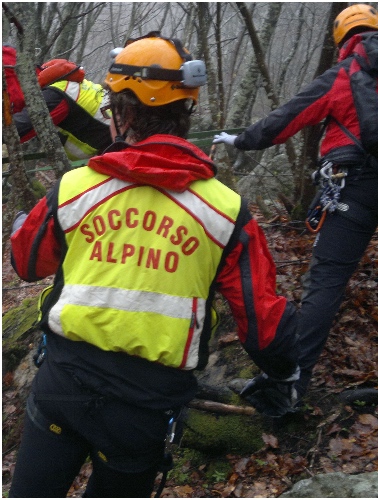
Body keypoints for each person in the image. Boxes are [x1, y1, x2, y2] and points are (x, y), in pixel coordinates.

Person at [7, 33, 299, 497]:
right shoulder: (225, 211)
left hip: (62, 386)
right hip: (144, 409)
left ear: (121, 111)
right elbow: (264, 323)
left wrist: (27, 222)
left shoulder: (74, 189)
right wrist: (284, 374)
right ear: (185, 112)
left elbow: (24, 261)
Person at [214, 4, 378, 403]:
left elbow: (286, 119)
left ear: (341, 43)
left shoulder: (347, 74)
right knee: (335, 267)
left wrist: (241, 140)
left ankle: (291, 383)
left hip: (357, 191)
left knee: (326, 280)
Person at [13, 58, 112, 160]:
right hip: (111, 147)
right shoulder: (73, 85)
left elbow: (17, 129)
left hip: (101, 155)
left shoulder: (55, 95)